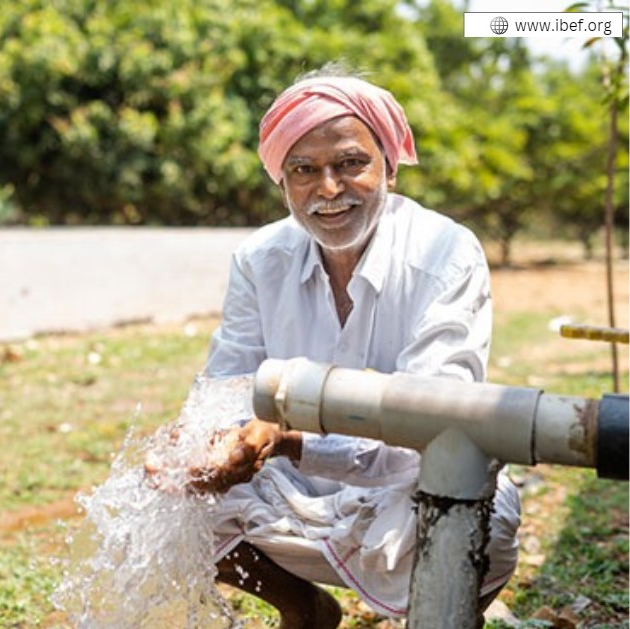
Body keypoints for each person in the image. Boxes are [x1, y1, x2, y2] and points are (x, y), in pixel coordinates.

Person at [196, 63, 521, 628]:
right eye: (304, 170)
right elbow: (226, 383)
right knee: (173, 485)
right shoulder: (259, 258)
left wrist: (292, 438)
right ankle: (304, 610)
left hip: (402, 483)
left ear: (389, 170)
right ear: (282, 182)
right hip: (288, 483)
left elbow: (434, 422)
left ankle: (432, 618)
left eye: (351, 164)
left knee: (484, 518)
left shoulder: (445, 251)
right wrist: (209, 442)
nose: (328, 189)